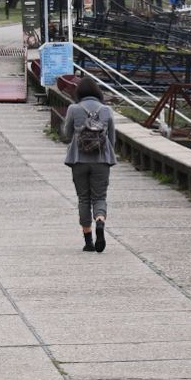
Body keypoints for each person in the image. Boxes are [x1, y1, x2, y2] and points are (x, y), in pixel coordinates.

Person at [62, 77, 117, 253]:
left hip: (79, 160)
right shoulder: (107, 110)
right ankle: (100, 221)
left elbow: (66, 133)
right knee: (100, 197)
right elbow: (112, 138)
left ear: (79, 93)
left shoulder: (74, 109)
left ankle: (88, 242)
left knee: (83, 198)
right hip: (101, 161)